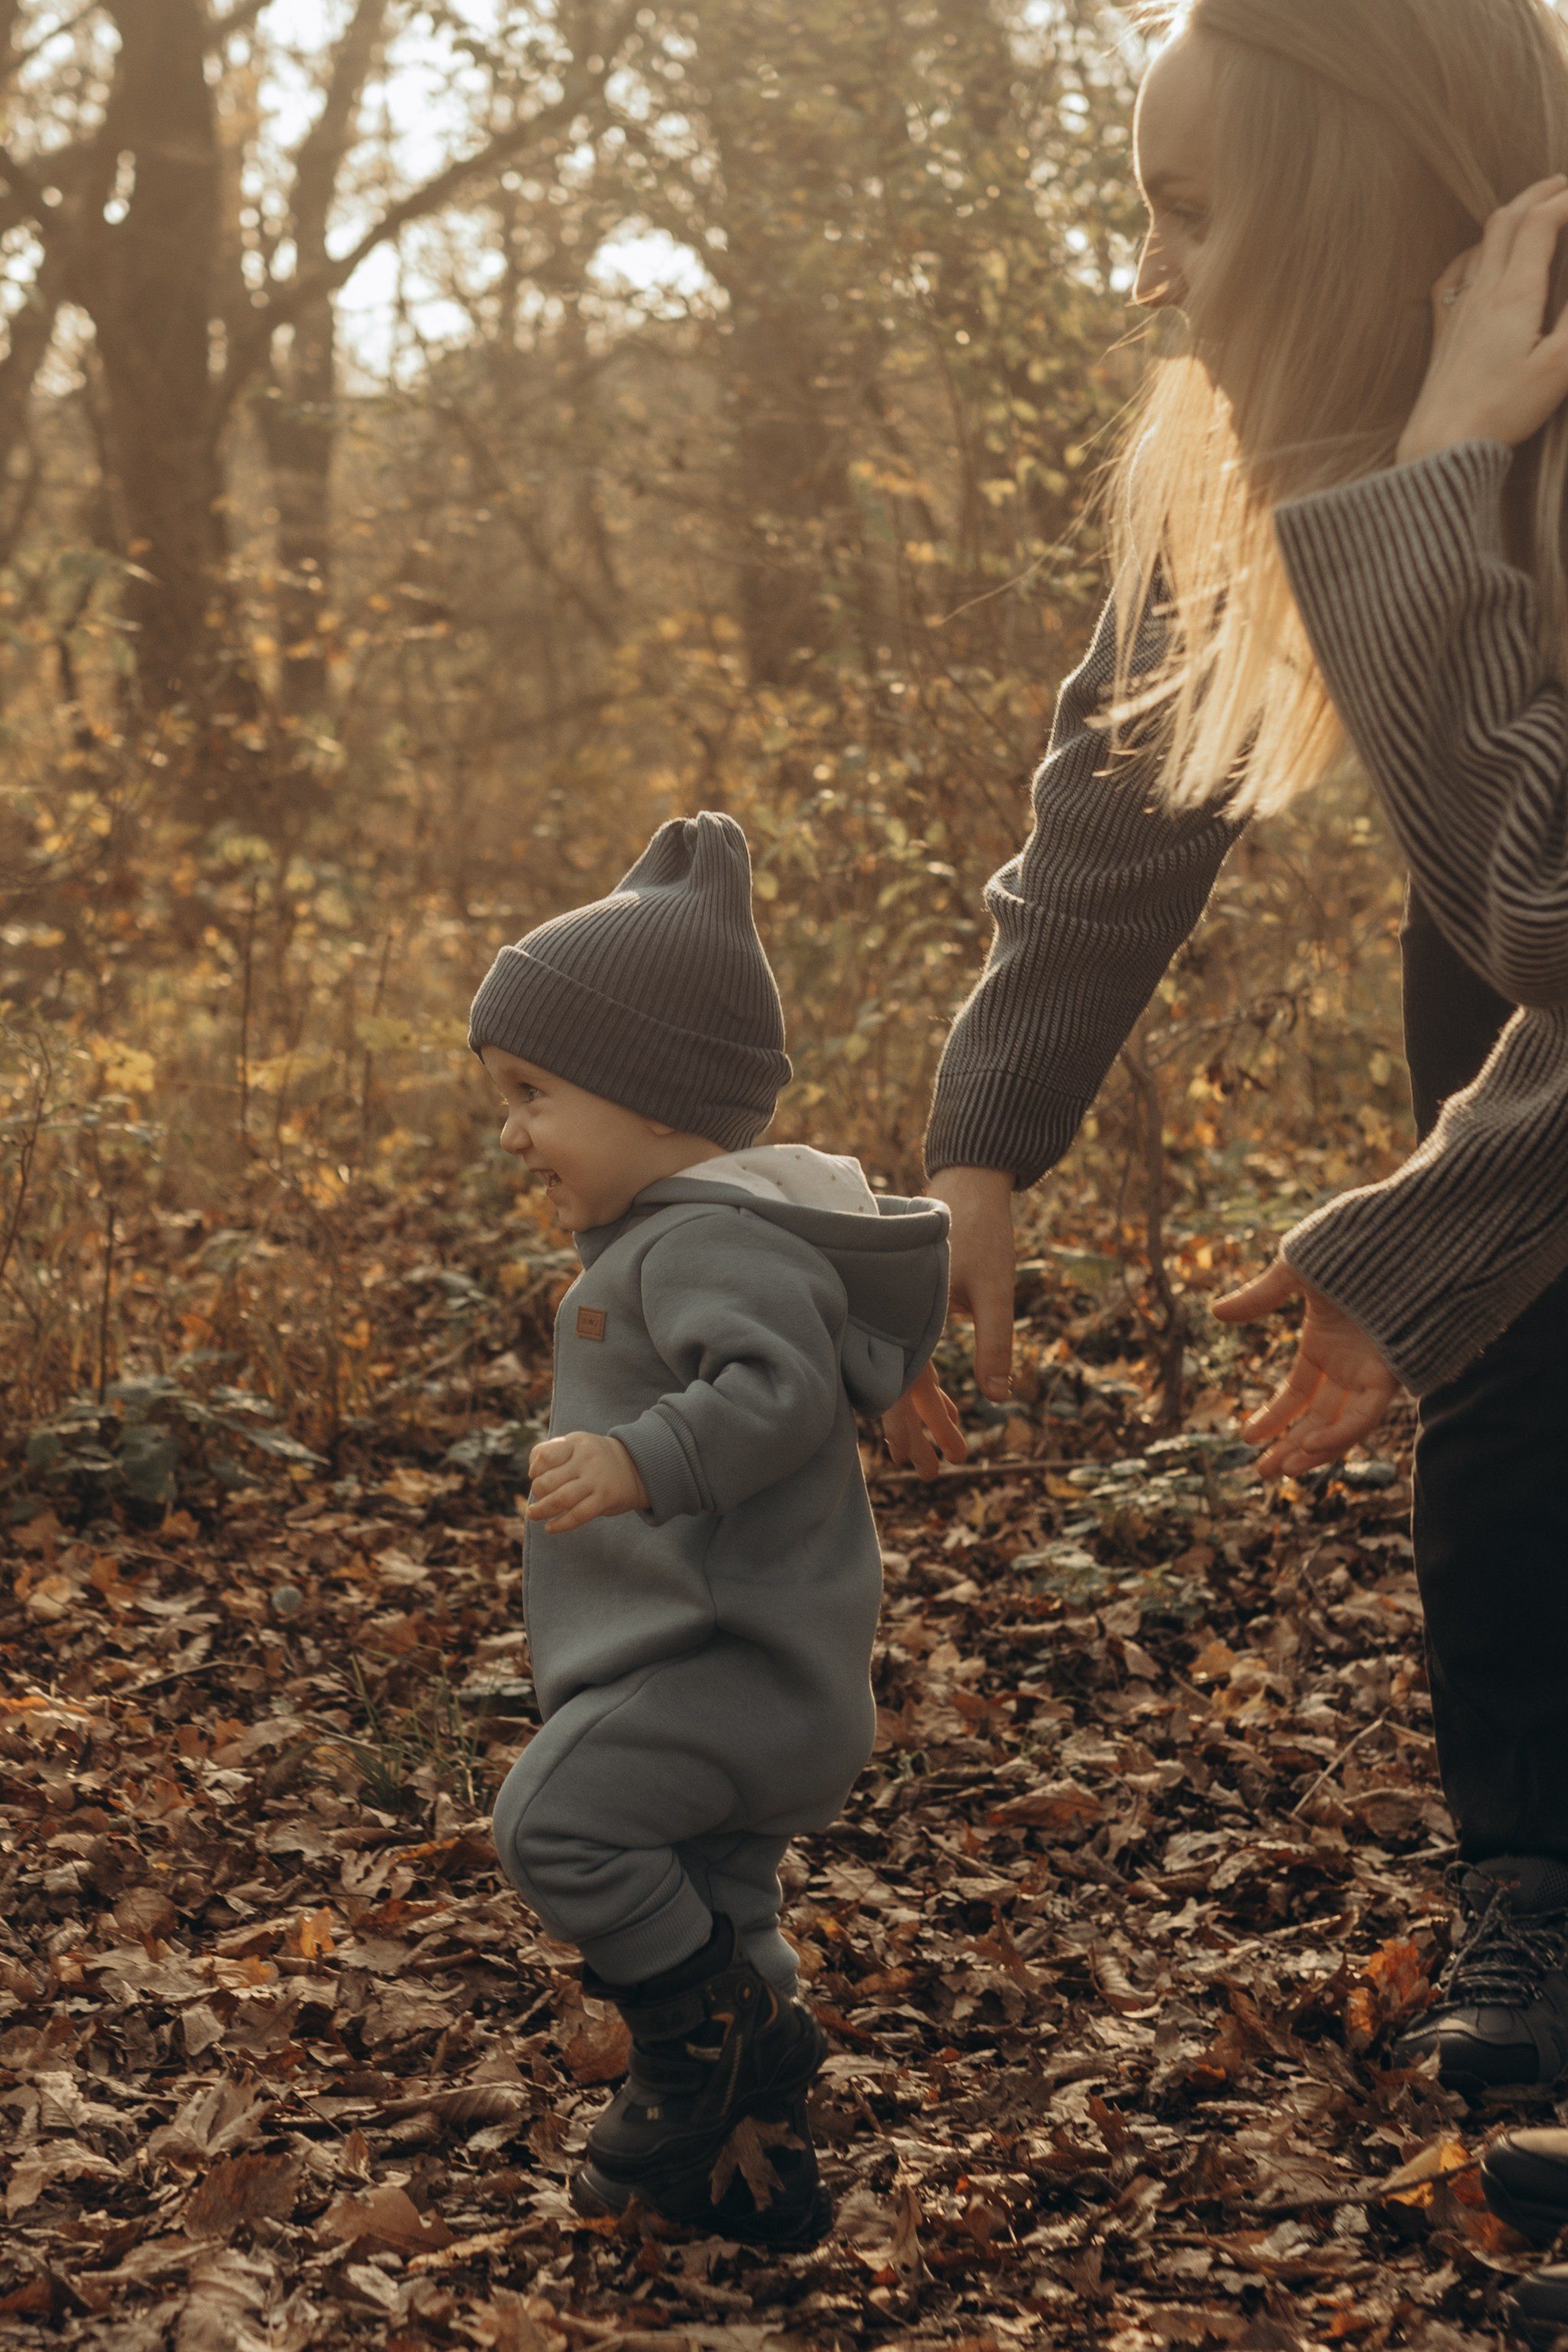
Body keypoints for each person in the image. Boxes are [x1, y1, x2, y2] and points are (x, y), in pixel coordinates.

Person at [887, 0, 1568, 2101]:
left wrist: (1442, 491)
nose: (1150, 275)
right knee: (1521, 1428)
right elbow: (1124, 782)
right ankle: (1541, 1896)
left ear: (1350, 199)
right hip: (1511, 1007)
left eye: (1191, 212)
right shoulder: (1290, 430)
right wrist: (986, 1128)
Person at [469, 812, 950, 2246]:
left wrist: (638, 1458)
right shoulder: (701, 1233)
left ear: (652, 1094)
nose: (513, 1131)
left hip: (730, 1671)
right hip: (733, 1669)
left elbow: (779, 1387)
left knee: (554, 1824)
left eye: (533, 1091)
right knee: (716, 1904)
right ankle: (751, 2177)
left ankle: (709, 2047)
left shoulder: (703, 1242)